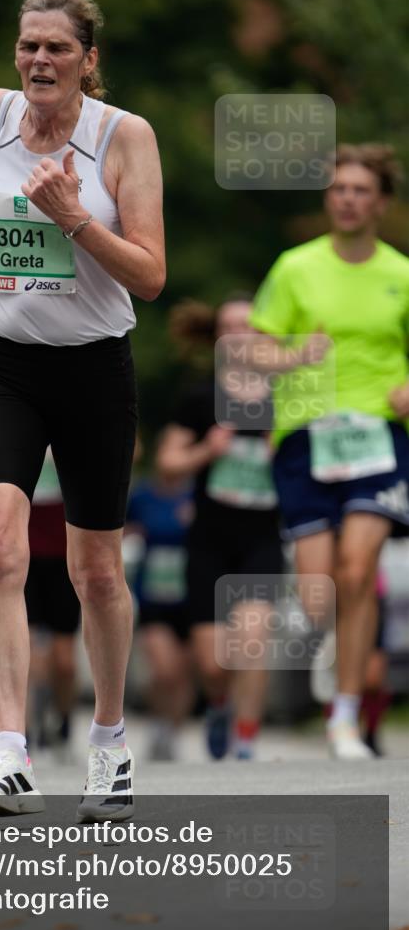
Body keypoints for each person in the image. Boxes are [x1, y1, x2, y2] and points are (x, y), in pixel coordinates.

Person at [0, 0, 165, 820]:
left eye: (56, 48)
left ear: (89, 59)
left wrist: (75, 220)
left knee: (95, 570)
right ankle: (10, 752)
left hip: (92, 369)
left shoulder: (123, 138)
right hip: (4, 362)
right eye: (27, 47)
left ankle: (110, 742)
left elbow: (151, 277)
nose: (38, 61)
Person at [250, 143, 409, 759]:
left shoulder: (400, 274)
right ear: (328, 199)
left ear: (381, 202)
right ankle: (335, 649)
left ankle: (344, 714)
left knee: (358, 567)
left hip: (377, 436)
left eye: (360, 190)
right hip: (305, 435)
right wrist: (290, 358)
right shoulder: (295, 268)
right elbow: (255, 349)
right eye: (338, 188)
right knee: (319, 594)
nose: (347, 198)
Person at [158, 297, 284, 760]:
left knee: (252, 641)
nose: (240, 337)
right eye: (230, 328)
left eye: (250, 328)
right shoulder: (200, 398)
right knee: (213, 665)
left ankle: (246, 739)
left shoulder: (286, 399)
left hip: (261, 538)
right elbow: (168, 465)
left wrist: (285, 455)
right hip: (209, 539)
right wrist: (206, 453)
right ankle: (217, 703)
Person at [125, 432, 194, 761]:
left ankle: (173, 732)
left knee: (182, 672)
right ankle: (158, 723)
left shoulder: (198, 496)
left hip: (190, 596)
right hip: (153, 595)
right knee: (163, 669)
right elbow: (122, 532)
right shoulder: (142, 497)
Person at [25, 447, 81, 762]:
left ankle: (64, 719)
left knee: (64, 661)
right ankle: (25, 733)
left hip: (65, 557)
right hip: (26, 555)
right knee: (30, 655)